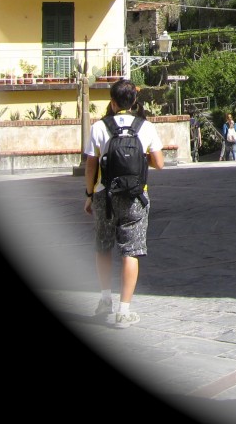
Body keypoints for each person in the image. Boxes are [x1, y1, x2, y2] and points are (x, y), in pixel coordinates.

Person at [83, 80, 164, 327]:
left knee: (103, 246)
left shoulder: (99, 126)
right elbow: (159, 163)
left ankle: (105, 299)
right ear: (134, 103)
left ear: (112, 102)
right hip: (135, 196)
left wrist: (89, 195)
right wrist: (138, 160)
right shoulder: (146, 127)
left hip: (103, 195)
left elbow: (90, 165)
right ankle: (124, 310)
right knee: (131, 251)